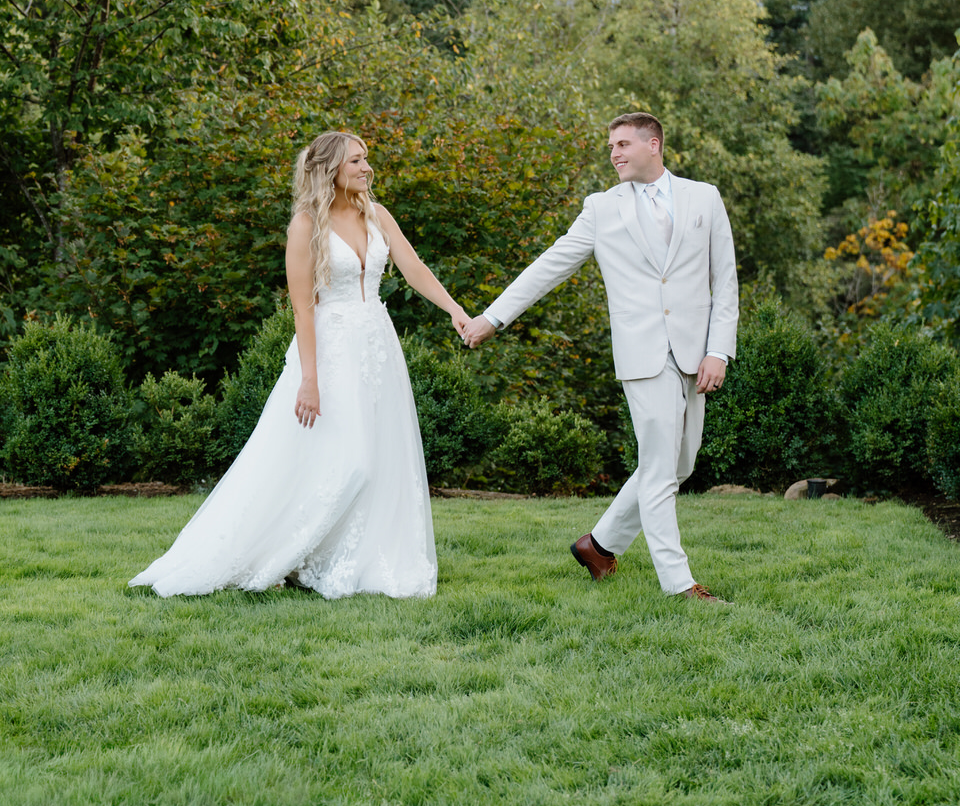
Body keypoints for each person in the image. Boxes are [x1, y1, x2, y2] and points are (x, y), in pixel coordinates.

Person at [130, 130, 469, 599]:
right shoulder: (306, 225)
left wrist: (454, 308)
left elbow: (413, 268)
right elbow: (303, 307)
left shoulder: (378, 215)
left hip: (377, 347)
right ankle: (284, 551)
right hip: (331, 352)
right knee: (348, 461)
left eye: (366, 159)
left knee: (381, 455)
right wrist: (309, 379)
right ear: (331, 169)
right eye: (356, 161)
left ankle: (361, 558)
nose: (367, 168)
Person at [462, 112, 738, 602]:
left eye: (623, 144)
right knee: (658, 470)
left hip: (696, 353)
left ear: (653, 144)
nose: (614, 154)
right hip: (642, 355)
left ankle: (599, 544)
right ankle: (680, 585)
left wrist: (718, 350)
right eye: (611, 146)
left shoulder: (705, 198)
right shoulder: (601, 209)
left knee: (680, 465)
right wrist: (493, 318)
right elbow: (550, 266)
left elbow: (726, 283)